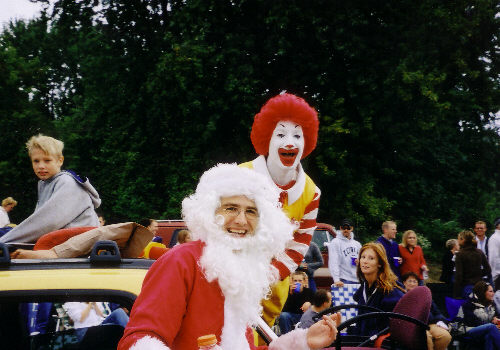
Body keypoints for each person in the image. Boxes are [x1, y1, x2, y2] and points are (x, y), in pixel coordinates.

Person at [118, 164, 338, 350]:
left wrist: (303, 341)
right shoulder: (181, 260)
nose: (241, 221)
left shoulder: (245, 268)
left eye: (251, 211)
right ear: (210, 212)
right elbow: (139, 340)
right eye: (231, 208)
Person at [239, 93, 321, 327]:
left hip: (272, 293)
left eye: (297, 134)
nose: (290, 142)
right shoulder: (241, 176)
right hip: (231, 284)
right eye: (281, 133)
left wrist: (266, 276)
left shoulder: (311, 193)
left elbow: (299, 244)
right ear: (268, 138)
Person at [0, 134, 101, 244]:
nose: (41, 166)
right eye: (36, 161)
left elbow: (47, 223)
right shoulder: (45, 184)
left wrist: (4, 241)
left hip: (80, 245)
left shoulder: (67, 183)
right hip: (65, 241)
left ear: (60, 161)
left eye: (47, 160)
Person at [351, 242, 404, 336]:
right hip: (364, 341)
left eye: (371, 258)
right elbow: (361, 324)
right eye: (363, 257)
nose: (365, 261)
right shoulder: (364, 288)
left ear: (380, 263)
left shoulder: (390, 291)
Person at [401, 272, 451, 350]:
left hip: (429, 323)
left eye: (415, 281)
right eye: (410, 281)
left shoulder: (425, 296)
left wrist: (440, 321)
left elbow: (437, 312)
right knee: (425, 338)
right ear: (404, 283)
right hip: (412, 326)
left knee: (445, 336)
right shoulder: (400, 295)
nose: (412, 284)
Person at [455, 281, 500, 350]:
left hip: (487, 331)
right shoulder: (469, 305)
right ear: (483, 292)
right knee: (491, 327)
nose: (493, 294)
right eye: (490, 291)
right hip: (468, 329)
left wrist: (496, 319)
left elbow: (497, 316)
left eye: (493, 291)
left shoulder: (492, 304)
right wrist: (492, 322)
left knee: (489, 336)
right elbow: (472, 322)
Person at [454, 230, 491, 298]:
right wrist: (479, 274)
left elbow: (459, 275)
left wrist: (456, 292)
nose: (457, 240)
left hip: (467, 286)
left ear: (463, 240)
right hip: (480, 285)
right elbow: (488, 269)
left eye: (458, 239)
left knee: (469, 306)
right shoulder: (479, 252)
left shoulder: (460, 254)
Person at [63, 302, 129, 338]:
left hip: (98, 326)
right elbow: (81, 318)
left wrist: (95, 305)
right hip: (85, 330)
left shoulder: (94, 299)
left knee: (119, 312)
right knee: (116, 328)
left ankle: (133, 336)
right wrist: (89, 305)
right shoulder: (72, 303)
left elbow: (101, 315)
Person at [328, 219, 361, 287]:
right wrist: (336, 279)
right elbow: (333, 262)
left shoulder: (357, 244)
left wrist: (360, 262)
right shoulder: (335, 242)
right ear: (340, 228)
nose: (346, 230)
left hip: (358, 280)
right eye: (344, 228)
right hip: (344, 280)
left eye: (348, 228)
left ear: (351, 228)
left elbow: (364, 260)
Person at [489, 218, 500, 285]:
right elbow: (494, 259)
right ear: (497, 225)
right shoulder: (495, 238)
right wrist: (496, 275)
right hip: (498, 276)